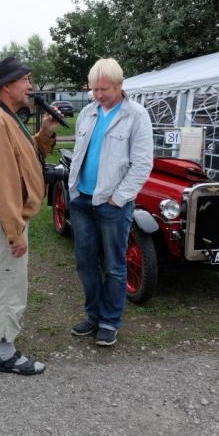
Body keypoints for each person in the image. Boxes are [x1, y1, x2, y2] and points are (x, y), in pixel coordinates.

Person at [0, 56, 59, 376]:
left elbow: (23, 155)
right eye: (25, 80)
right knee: (8, 280)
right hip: (1, 218)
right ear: (7, 86)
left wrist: (45, 134)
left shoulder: (3, 116)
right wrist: (14, 232)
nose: (30, 86)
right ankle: (5, 353)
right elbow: (2, 182)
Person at [68, 58, 153, 346]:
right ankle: (93, 315)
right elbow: (79, 153)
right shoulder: (88, 113)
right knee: (85, 263)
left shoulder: (136, 116)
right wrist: (73, 189)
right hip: (82, 200)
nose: (98, 95)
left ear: (120, 85)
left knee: (115, 266)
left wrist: (118, 199)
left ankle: (109, 321)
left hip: (112, 204)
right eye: (94, 89)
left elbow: (142, 165)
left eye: (103, 89)